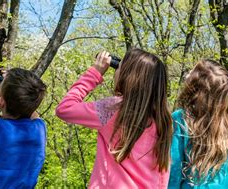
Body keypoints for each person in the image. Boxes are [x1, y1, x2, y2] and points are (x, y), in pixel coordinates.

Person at [55, 49, 173, 188]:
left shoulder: (112, 110)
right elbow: (162, 175)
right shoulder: (163, 121)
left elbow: (64, 108)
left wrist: (95, 73)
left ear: (127, 77)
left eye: (118, 67)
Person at [168, 60, 228, 188]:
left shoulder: (181, 119)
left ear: (198, 89)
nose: (187, 75)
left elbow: (173, 172)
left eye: (192, 72)